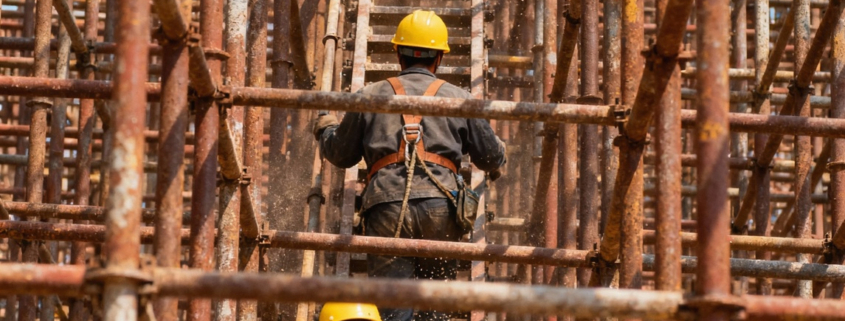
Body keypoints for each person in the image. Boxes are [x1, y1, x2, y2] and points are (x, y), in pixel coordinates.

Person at [313, 10, 506, 321]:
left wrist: (325, 129)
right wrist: (499, 158)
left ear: (397, 53)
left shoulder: (369, 96)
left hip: (386, 208)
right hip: (442, 211)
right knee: (434, 310)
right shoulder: (460, 98)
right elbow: (490, 157)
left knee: (393, 312)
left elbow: (341, 154)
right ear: (440, 58)